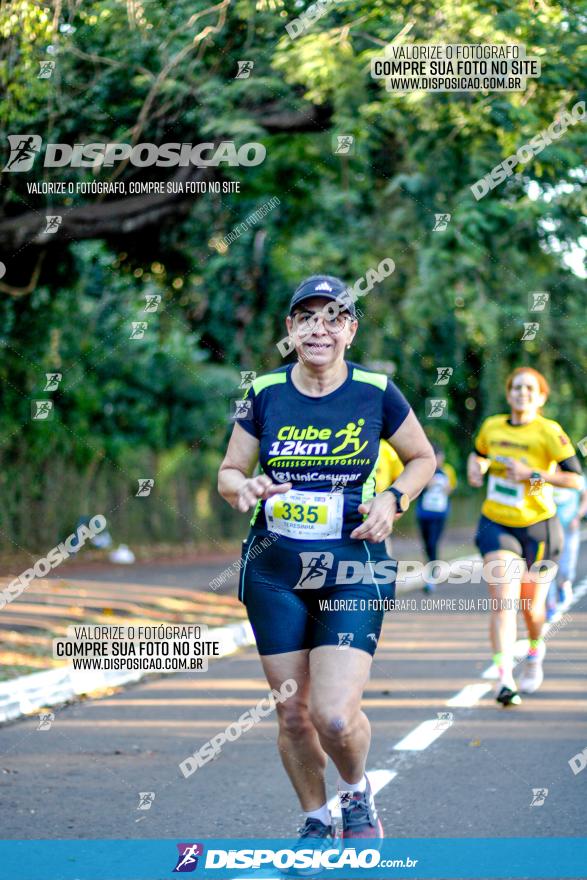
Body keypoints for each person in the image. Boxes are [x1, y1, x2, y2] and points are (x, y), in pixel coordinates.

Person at [218, 275, 435, 855]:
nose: (320, 327)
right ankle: (315, 817)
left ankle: (356, 791)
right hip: (275, 569)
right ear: (290, 330)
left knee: (333, 717)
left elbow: (422, 457)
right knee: (293, 714)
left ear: (350, 330)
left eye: (334, 317)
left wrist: (394, 498)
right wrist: (244, 487)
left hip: (353, 563)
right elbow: (229, 472)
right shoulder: (261, 391)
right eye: (307, 317)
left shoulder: (377, 390)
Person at [467, 367, 583, 707]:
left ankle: (534, 651)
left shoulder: (549, 432)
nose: (522, 393)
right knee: (504, 601)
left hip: (539, 527)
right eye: (517, 387)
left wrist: (532, 474)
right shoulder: (492, 426)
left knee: (531, 609)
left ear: (542, 396)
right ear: (508, 393)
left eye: (530, 388)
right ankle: (505, 678)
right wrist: (476, 467)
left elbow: (576, 479)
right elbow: (480, 455)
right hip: (497, 523)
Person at [415, 443, 457, 593]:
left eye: (440, 457)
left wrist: (448, 488)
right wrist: (426, 484)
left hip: (439, 513)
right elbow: (414, 488)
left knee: (433, 543)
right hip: (423, 513)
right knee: (426, 544)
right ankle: (432, 566)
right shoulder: (424, 470)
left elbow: (452, 488)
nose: (439, 460)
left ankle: (431, 576)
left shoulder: (448, 471)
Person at [546, 476, 587, 618]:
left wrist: (578, 516)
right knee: (547, 567)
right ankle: (549, 604)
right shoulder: (544, 472)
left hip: (569, 529)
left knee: (565, 566)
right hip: (548, 530)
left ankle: (563, 584)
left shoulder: (574, 475)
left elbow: (585, 496)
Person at [374, 439, 404, 557]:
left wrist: (395, 500)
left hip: (380, 499)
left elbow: (400, 477)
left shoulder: (387, 448)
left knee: (382, 538)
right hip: (352, 498)